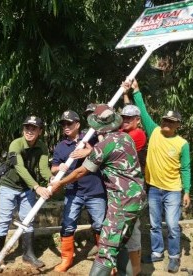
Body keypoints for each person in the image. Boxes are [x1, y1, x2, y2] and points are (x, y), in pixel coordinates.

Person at [49, 104, 146, 276]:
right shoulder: (126, 138)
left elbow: (80, 171)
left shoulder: (103, 147)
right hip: (137, 200)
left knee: (106, 252)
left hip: (121, 203)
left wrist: (59, 183)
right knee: (121, 243)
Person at [126, 79, 191, 273]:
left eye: (171, 121)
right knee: (154, 225)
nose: (166, 123)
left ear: (177, 124)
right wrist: (136, 90)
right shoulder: (154, 131)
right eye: (164, 120)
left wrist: (186, 191)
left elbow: (185, 169)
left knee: (172, 225)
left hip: (172, 190)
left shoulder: (182, 144)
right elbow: (143, 111)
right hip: (153, 188)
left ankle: (173, 257)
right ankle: (156, 253)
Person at [0, 116, 53, 268]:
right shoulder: (16, 144)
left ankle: (28, 255)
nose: (30, 131)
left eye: (34, 128)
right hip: (9, 186)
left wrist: (51, 179)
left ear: (40, 131)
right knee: (4, 220)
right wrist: (37, 187)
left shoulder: (42, 147)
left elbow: (43, 169)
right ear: (23, 129)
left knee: (28, 220)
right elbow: (19, 168)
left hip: (27, 189)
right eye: (27, 128)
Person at [51, 110, 106, 272]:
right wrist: (57, 168)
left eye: (69, 123)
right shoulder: (61, 147)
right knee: (68, 226)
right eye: (63, 124)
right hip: (73, 192)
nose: (66, 126)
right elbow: (53, 168)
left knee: (99, 225)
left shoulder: (92, 137)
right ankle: (66, 259)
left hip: (95, 190)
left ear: (78, 124)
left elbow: (107, 154)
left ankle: (104, 259)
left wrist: (89, 151)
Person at [119, 104, 147, 276]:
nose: (126, 120)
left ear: (138, 120)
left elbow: (117, 150)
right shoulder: (125, 132)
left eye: (130, 118)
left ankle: (135, 268)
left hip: (133, 187)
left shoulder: (136, 135)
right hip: (124, 186)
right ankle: (126, 266)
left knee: (132, 227)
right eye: (124, 117)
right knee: (124, 226)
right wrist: (127, 92)